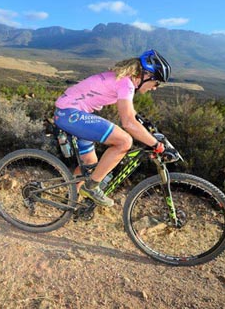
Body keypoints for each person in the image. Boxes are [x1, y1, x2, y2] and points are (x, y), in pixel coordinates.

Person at [54, 49, 171, 207]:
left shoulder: (124, 81)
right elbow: (128, 122)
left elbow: (132, 114)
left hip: (66, 113)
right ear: (146, 76)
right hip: (70, 114)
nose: (155, 87)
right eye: (156, 82)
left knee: (89, 164)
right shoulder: (126, 84)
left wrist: (148, 128)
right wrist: (156, 145)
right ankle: (92, 187)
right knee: (124, 141)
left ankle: (69, 202)